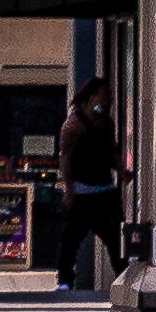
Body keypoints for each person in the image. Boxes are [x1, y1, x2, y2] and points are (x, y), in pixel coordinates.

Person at [51, 81, 127, 292]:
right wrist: (69, 189)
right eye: (104, 95)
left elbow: (112, 151)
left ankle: (123, 278)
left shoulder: (107, 123)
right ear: (92, 98)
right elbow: (65, 157)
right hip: (82, 193)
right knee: (70, 240)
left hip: (105, 191)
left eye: (110, 95)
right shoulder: (74, 124)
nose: (108, 99)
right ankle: (65, 281)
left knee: (115, 239)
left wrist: (121, 170)